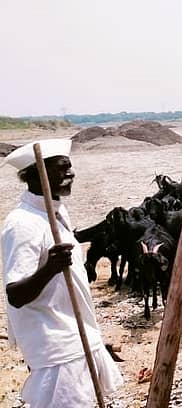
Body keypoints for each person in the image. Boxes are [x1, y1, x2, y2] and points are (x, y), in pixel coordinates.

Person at [2, 139, 122, 407]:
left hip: (76, 333)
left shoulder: (55, 212)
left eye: (70, 166)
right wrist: (50, 268)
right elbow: (15, 295)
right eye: (61, 168)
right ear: (36, 175)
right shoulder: (22, 224)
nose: (71, 173)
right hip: (56, 344)